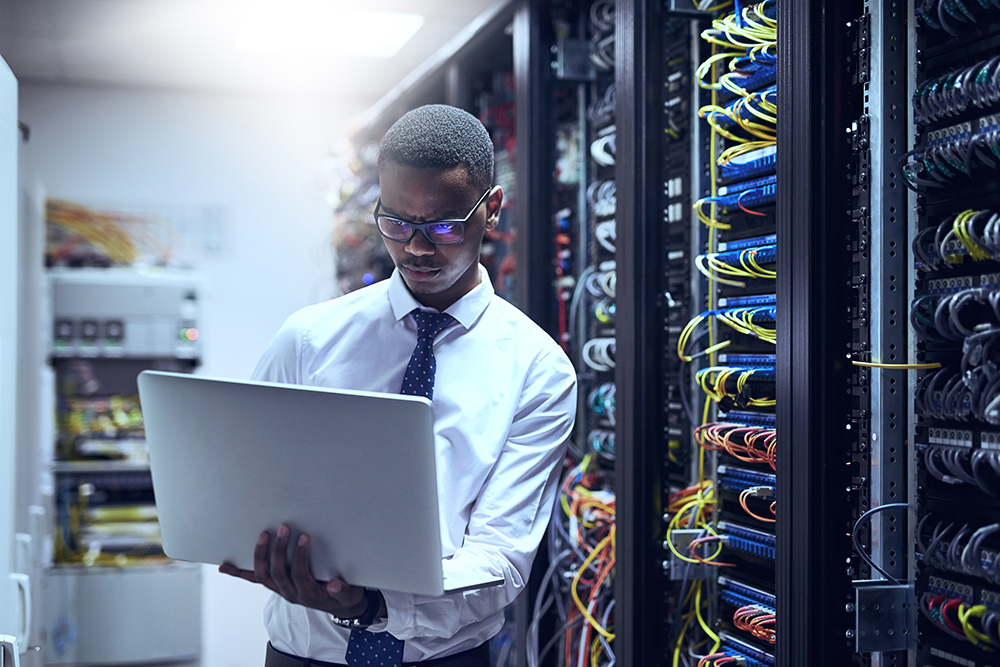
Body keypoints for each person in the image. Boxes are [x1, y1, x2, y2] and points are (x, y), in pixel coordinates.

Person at [219, 104, 578, 667]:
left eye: (443, 225)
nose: (416, 247)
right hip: (302, 656)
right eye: (396, 223)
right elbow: (246, 482)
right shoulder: (309, 339)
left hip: (446, 660)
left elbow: (501, 558)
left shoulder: (537, 369)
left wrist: (373, 605)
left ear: (492, 210)